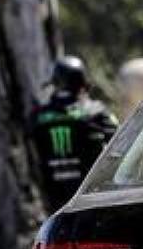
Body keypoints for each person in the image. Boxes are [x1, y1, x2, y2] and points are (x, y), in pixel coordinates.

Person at [30, 56, 119, 212]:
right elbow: (121, 142)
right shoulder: (96, 112)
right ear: (82, 84)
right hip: (90, 199)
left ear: (55, 84)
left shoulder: (37, 116)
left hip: (54, 200)